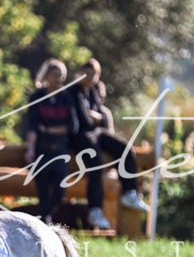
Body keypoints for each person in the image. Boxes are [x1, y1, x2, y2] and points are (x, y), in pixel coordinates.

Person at [70, 59, 149, 231]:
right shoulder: (72, 92)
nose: (89, 77)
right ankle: (95, 209)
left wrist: (97, 118)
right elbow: (83, 120)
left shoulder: (92, 92)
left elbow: (103, 117)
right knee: (96, 164)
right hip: (79, 136)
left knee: (125, 149)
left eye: (94, 74)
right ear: (79, 72)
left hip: (96, 133)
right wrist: (96, 118)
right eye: (86, 72)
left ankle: (130, 193)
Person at [23, 58, 78, 223]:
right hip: (41, 150)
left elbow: (73, 126)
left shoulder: (66, 97)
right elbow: (32, 126)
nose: (60, 78)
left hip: (60, 150)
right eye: (56, 74)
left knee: (59, 192)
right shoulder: (37, 97)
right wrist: (31, 149)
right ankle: (44, 223)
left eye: (62, 75)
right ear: (46, 76)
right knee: (43, 193)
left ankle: (37, 220)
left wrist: (49, 130)